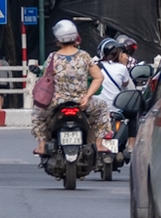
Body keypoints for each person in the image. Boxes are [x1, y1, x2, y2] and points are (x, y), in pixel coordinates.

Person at [31, 20, 110, 156]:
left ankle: (42, 146)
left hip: (56, 103)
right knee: (103, 109)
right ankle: (99, 144)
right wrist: (87, 96)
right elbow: (99, 77)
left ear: (57, 39)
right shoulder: (84, 56)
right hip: (81, 102)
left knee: (37, 115)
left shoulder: (52, 57)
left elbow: (44, 80)